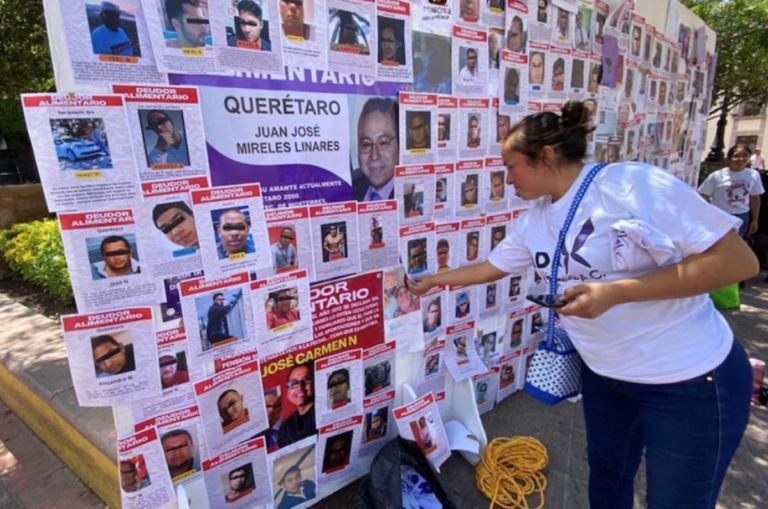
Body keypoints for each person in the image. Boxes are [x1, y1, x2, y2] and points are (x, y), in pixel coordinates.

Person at [408, 100, 756, 509]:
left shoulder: (629, 185)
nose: (507, 179)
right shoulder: (535, 218)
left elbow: (737, 262)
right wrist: (432, 281)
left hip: (688, 380)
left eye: (512, 166)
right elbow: (491, 267)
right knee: (606, 482)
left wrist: (615, 293)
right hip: (608, 378)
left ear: (547, 157)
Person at [699, 145, 764, 238]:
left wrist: (755, 219)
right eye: (736, 155)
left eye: (745, 155)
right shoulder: (717, 176)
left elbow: (755, 197)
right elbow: (704, 195)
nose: (741, 159)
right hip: (721, 216)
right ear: (730, 158)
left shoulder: (753, 175)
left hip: (742, 216)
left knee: (735, 245)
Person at [352, 98, 399, 201]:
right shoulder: (349, 188)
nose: (374, 156)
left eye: (383, 143)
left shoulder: (412, 190)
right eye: (366, 144)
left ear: (399, 145)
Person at [278, 363, 316, 446]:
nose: (300, 387)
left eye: (306, 379)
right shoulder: (285, 427)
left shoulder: (321, 412)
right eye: (294, 383)